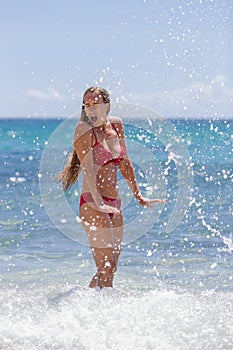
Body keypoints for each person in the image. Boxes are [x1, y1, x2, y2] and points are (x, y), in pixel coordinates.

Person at [57, 86, 167, 289]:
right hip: (92, 203)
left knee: (110, 267)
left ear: (106, 105)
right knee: (106, 267)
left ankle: (88, 305)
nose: (91, 108)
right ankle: (104, 314)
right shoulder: (84, 129)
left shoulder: (116, 125)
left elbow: (125, 162)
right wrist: (99, 203)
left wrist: (138, 195)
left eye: (95, 103)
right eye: (87, 104)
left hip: (114, 204)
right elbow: (89, 170)